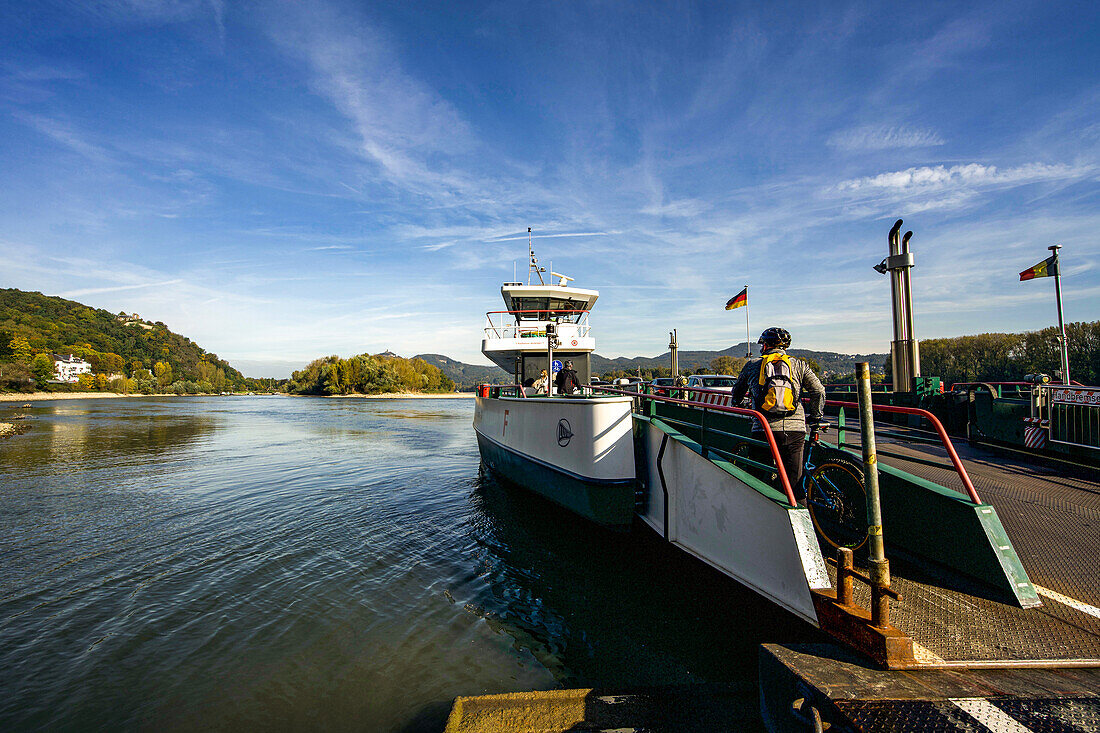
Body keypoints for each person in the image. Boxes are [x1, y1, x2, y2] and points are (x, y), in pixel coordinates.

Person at [730, 327, 825, 501]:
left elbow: (736, 393)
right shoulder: (798, 365)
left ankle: (756, 512)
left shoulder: (752, 365)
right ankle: (802, 518)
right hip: (795, 430)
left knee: (756, 477)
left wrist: (740, 404)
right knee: (794, 483)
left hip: (764, 429)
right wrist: (815, 416)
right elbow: (818, 390)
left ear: (765, 346)